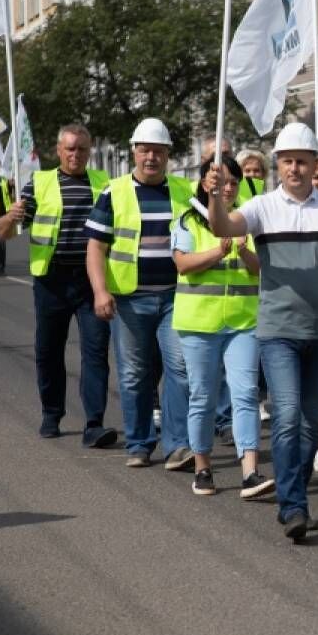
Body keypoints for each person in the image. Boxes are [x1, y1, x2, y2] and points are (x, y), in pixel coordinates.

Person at [206, 122, 318, 542]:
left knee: (308, 424)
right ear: (277, 166)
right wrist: (214, 197)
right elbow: (223, 228)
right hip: (278, 331)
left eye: (302, 161)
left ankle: (293, 495)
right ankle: (294, 505)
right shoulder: (263, 207)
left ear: (312, 163)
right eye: (287, 162)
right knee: (284, 417)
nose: (295, 169)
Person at [0, 124, 116, 446]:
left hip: (92, 281)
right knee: (48, 350)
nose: (75, 154)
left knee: (95, 352)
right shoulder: (39, 183)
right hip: (51, 281)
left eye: (81, 149)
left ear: (90, 152)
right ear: (58, 150)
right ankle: (52, 413)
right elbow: (4, 232)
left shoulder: (105, 184)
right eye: (70, 149)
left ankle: (94, 423)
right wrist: (11, 217)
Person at [86, 118, 194, 468]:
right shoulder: (113, 191)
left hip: (176, 297)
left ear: (167, 155)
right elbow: (96, 248)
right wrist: (101, 292)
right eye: (145, 150)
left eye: (159, 151)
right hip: (129, 300)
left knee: (180, 368)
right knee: (134, 373)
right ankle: (139, 443)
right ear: (134, 151)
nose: (151, 157)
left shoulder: (184, 191)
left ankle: (178, 445)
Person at [171, 156, 274, 498]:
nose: (229, 187)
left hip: (243, 322)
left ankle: (250, 472)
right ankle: (202, 469)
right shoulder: (188, 220)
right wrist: (218, 253)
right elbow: (183, 264)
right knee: (202, 396)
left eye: (234, 182)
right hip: (199, 322)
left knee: (245, 393)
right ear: (206, 184)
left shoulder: (249, 220)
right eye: (222, 181)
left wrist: (244, 253)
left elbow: (262, 269)